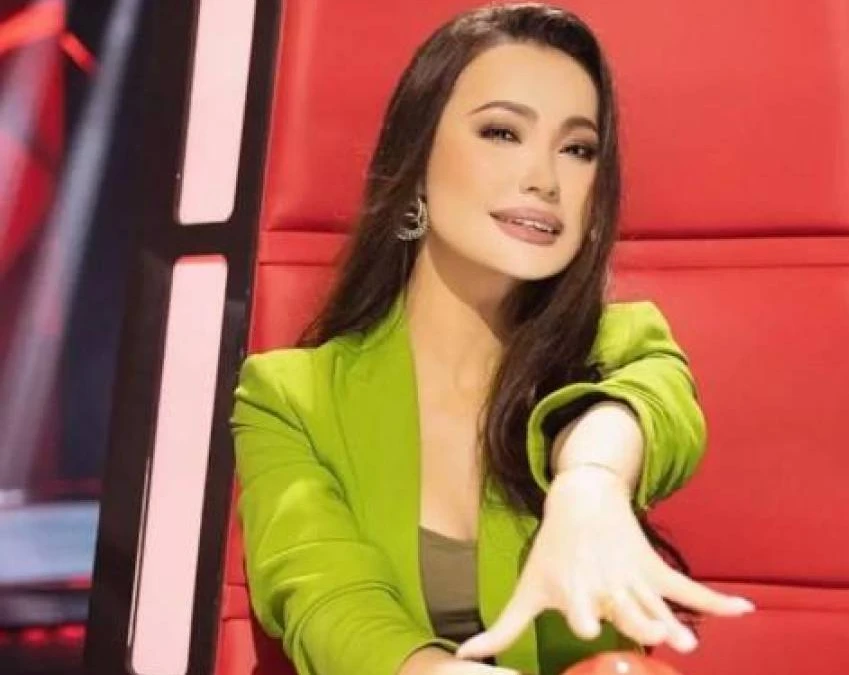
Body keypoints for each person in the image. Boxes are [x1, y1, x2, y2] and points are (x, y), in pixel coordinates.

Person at [231, 4, 754, 675]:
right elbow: (327, 602)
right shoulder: (288, 397)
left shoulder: (624, 341)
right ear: (417, 159)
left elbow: (644, 409)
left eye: (578, 149)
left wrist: (590, 483)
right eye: (503, 132)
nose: (545, 179)